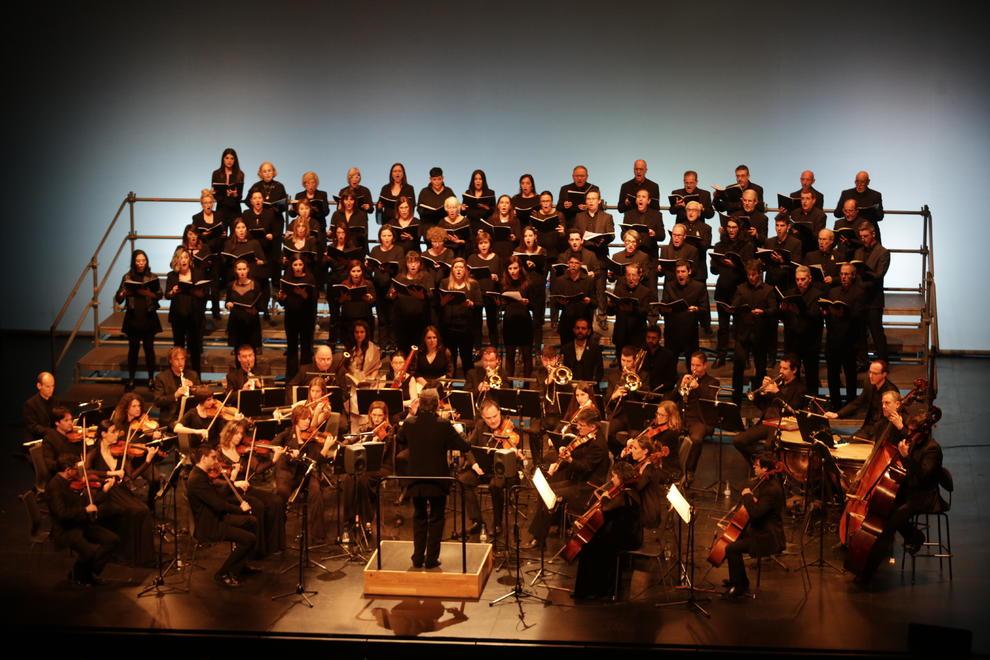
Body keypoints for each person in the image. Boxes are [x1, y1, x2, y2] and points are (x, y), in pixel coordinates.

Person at [854, 407, 943, 584]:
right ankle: (914, 536)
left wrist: (906, 457)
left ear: (924, 432)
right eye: (908, 430)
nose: (908, 434)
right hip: (909, 490)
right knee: (885, 510)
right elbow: (908, 471)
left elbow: (923, 478)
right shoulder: (914, 441)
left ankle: (866, 573)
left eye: (911, 431)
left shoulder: (933, 450)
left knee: (888, 527)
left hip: (924, 496)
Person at [399, 388, 473, 568]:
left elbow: (401, 439)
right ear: (437, 404)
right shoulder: (443, 425)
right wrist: (455, 428)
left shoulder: (409, 423)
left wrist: (413, 416)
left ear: (420, 403)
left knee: (419, 517)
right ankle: (431, 558)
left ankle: (417, 557)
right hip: (438, 480)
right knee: (437, 518)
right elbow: (464, 445)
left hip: (416, 479)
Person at [528, 406, 610, 548]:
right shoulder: (587, 437)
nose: (578, 427)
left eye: (581, 425)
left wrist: (570, 460)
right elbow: (577, 456)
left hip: (588, 488)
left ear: (592, 427)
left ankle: (539, 538)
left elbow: (585, 467)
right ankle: (539, 535)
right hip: (579, 481)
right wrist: (563, 455)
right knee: (546, 492)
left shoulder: (598, 445)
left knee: (551, 494)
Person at [186, 445, 258, 588]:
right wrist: (240, 509)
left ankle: (240, 565)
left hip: (217, 517)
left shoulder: (201, 475)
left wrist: (232, 482)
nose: (216, 461)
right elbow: (218, 504)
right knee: (249, 539)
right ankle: (222, 573)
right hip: (210, 525)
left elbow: (217, 497)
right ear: (203, 458)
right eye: (213, 458)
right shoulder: (197, 479)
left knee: (252, 522)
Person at [571, 460, 643, 600]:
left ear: (621, 477)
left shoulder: (625, 495)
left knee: (588, 547)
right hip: (624, 532)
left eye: (614, 476)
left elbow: (606, 510)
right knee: (591, 543)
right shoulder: (628, 491)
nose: (612, 479)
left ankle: (592, 591)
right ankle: (591, 589)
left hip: (626, 537)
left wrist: (604, 498)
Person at [214, 419, 286, 557]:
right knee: (258, 506)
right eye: (236, 434)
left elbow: (257, 469)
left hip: (246, 488)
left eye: (241, 434)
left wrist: (274, 460)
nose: (240, 437)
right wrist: (235, 482)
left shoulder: (243, 451)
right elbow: (216, 480)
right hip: (231, 491)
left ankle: (274, 545)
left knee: (276, 501)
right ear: (228, 433)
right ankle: (256, 550)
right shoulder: (219, 453)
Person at [47, 454, 119, 586]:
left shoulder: (69, 483)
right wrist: (85, 510)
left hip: (80, 523)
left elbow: (85, 502)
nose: (78, 472)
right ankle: (83, 576)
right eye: (75, 468)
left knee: (112, 539)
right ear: (68, 470)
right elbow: (62, 514)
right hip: (66, 530)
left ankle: (83, 572)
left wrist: (104, 491)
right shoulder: (54, 487)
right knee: (89, 552)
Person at [723, 455, 785, 599]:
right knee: (734, 538)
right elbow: (762, 505)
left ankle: (739, 587)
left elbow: (756, 513)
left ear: (765, 468)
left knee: (731, 548)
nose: (754, 467)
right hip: (760, 529)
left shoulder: (771, 489)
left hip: (767, 537)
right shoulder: (767, 482)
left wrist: (748, 496)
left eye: (757, 465)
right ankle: (739, 580)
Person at [273, 405, 337, 544]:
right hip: (287, 472)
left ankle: (317, 534)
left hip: (306, 471)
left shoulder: (312, 437)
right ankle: (277, 532)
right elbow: (273, 447)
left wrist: (326, 448)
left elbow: (316, 461)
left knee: (316, 492)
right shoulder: (286, 434)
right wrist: (283, 451)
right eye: (304, 419)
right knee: (282, 493)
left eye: (309, 418)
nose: (308, 422)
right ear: (296, 420)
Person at [458, 398, 522, 536]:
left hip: (503, 471)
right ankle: (477, 521)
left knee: (495, 485)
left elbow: (518, 452)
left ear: (500, 412)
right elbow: (467, 447)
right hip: (483, 469)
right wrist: (474, 464)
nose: (493, 421)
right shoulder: (480, 425)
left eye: (495, 416)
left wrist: (514, 453)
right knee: (463, 480)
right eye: (488, 418)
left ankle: (497, 523)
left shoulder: (511, 426)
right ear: (483, 417)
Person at [731, 356, 806, 464]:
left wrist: (777, 392)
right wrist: (762, 393)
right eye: (780, 367)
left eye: (785, 368)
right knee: (738, 440)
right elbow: (761, 406)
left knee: (769, 446)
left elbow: (793, 409)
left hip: (781, 424)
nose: (781, 371)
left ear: (794, 370)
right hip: (766, 423)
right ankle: (759, 463)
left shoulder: (800, 388)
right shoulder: (778, 384)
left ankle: (766, 469)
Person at [729, 261, 777, 404]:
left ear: (759, 274)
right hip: (743, 334)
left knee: (760, 368)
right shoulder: (740, 288)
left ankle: (758, 396)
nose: (750, 277)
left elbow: (774, 309)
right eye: (748, 275)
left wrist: (764, 312)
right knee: (738, 366)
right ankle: (736, 397)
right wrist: (733, 308)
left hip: (760, 334)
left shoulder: (768, 290)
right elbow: (735, 306)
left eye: (753, 275)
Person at [670, 352, 720, 487]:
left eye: (698, 365)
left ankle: (690, 472)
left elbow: (710, 403)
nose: (694, 369)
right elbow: (669, 399)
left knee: (697, 439)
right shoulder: (684, 378)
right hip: (683, 417)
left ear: (705, 365)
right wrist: (680, 386)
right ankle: (672, 470)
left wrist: (698, 388)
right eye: (692, 365)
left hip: (701, 420)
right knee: (667, 432)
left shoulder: (713, 382)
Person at [114, 249, 162, 390]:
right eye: (138, 261)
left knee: (149, 349)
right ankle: (131, 380)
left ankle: (151, 379)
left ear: (146, 261)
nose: (141, 263)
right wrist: (123, 293)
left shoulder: (152, 276)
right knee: (133, 350)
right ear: (134, 262)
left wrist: (149, 293)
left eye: (143, 260)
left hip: (148, 316)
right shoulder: (127, 277)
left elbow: (159, 294)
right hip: (133, 317)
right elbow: (118, 298)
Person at [822, 263, 867, 409]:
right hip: (833, 339)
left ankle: (850, 403)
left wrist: (844, 313)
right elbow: (828, 313)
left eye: (847, 274)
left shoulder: (859, 292)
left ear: (853, 275)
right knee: (832, 374)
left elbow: (860, 316)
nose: (843, 277)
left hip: (850, 340)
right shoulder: (833, 291)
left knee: (850, 375)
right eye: (841, 274)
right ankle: (835, 402)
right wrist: (827, 313)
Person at [712, 216, 755, 366]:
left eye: (734, 227)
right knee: (723, 327)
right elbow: (713, 270)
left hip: (739, 291)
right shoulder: (719, 245)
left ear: (739, 229)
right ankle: (721, 355)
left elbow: (749, 271)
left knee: (741, 327)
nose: (731, 230)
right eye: (729, 227)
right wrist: (719, 262)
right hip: (723, 289)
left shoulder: (747, 246)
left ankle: (743, 357)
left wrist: (734, 265)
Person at [779, 266, 825, 396]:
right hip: (793, 340)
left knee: (811, 375)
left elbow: (816, 316)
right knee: (793, 375)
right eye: (797, 279)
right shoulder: (790, 293)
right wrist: (783, 310)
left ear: (809, 279)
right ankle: (793, 401)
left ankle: (812, 402)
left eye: (803, 279)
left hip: (810, 341)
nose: (799, 282)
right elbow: (784, 318)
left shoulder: (817, 294)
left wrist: (800, 310)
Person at [825, 359, 898, 440]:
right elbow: (858, 402)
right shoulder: (869, 384)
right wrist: (838, 414)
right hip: (868, 427)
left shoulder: (891, 391)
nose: (871, 376)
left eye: (875, 373)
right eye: (870, 372)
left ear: (884, 374)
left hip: (882, 430)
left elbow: (891, 417)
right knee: (850, 443)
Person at [659, 261, 708, 371]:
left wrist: (697, 309)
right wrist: (664, 309)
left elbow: (704, 309)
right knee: (669, 367)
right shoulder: (669, 285)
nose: (680, 275)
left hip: (690, 333)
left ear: (689, 271)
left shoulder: (699, 286)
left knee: (692, 368)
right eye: (678, 272)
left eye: (683, 271)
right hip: (672, 332)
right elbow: (663, 306)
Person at [165, 248, 208, 375]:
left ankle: (196, 377)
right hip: (178, 316)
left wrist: (197, 292)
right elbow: (167, 295)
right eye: (181, 257)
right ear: (177, 260)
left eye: (186, 257)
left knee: (195, 349)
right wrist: (173, 291)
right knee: (178, 349)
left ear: (189, 259)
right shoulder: (172, 275)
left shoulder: (198, 273)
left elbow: (204, 294)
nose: (184, 260)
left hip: (194, 317)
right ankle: (179, 376)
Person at [853, 222, 891, 363]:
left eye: (866, 236)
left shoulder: (883, 252)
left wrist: (864, 270)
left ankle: (883, 362)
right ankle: (863, 362)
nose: (863, 239)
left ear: (873, 234)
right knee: (860, 334)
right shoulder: (858, 252)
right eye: (861, 236)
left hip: (874, 299)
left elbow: (879, 274)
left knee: (877, 333)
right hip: (860, 298)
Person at [438, 259, 481, 377]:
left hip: (466, 327)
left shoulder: (473, 284)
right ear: (452, 270)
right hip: (448, 326)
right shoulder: (445, 283)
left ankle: (470, 386)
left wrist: (471, 304)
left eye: (461, 267)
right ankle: (450, 386)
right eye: (456, 267)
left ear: (465, 270)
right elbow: (438, 304)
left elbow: (479, 303)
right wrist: (443, 302)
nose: (458, 270)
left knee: (466, 358)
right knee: (450, 359)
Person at [278, 254, 317, 381]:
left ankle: (306, 377)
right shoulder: (287, 278)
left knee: (306, 348)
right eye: (295, 265)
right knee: (292, 348)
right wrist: (281, 299)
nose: (298, 267)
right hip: (291, 317)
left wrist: (303, 294)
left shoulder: (309, 278)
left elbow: (313, 300)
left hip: (306, 318)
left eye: (300, 265)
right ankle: (291, 377)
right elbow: (283, 301)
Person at [190, 188, 226, 317]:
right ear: (201, 204)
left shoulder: (219, 215)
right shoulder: (197, 218)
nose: (208, 205)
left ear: (213, 203)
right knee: (203, 284)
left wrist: (221, 234)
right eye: (205, 203)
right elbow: (195, 236)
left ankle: (216, 311)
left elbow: (223, 233)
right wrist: (203, 235)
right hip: (203, 256)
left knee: (215, 284)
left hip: (216, 254)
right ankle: (201, 311)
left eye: (210, 202)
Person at [390, 251, 435, 353]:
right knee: (403, 347)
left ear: (420, 264)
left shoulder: (426, 276)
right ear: (406, 264)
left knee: (418, 347)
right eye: (410, 262)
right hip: (402, 319)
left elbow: (432, 294)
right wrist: (393, 295)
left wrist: (423, 296)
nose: (413, 265)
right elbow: (390, 295)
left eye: (416, 262)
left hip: (420, 319)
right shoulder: (400, 277)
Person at [368, 225, 404, 349]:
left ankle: (394, 345)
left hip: (393, 287)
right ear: (380, 237)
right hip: (378, 287)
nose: (386, 238)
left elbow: (400, 271)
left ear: (393, 237)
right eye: (384, 235)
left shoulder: (398, 250)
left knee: (393, 318)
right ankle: (383, 346)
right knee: (382, 319)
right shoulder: (375, 250)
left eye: (389, 235)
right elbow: (371, 269)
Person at [622, 188, 665, 290]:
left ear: (649, 201)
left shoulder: (657, 215)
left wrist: (654, 234)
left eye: (643, 197)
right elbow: (622, 234)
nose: (640, 199)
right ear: (636, 200)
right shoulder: (628, 214)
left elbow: (662, 236)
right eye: (638, 197)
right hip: (633, 258)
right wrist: (628, 235)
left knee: (651, 290)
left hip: (650, 258)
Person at [343, 320, 382, 430]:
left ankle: (364, 431)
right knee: (353, 396)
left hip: (369, 383)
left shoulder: (373, 348)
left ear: (366, 333)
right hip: (352, 384)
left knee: (363, 396)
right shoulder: (350, 348)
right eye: (357, 332)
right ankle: (354, 432)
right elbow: (346, 368)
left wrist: (370, 379)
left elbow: (376, 368)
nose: (359, 335)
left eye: (362, 332)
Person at [608, 263, 655, 356]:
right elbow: (610, 313)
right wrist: (610, 306)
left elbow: (646, 311)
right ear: (625, 276)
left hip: (637, 336)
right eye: (628, 274)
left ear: (639, 276)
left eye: (633, 275)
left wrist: (632, 309)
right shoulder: (618, 290)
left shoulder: (645, 291)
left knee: (636, 365)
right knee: (622, 363)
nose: (631, 278)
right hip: (621, 334)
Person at [499, 256, 534, 377]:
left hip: (524, 321)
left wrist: (528, 303)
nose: (513, 271)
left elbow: (535, 305)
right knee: (509, 355)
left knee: (527, 355)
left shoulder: (528, 283)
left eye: (515, 268)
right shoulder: (503, 284)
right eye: (510, 268)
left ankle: (526, 387)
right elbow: (502, 305)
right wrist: (499, 303)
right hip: (509, 322)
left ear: (520, 268)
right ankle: (509, 386)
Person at [551, 253, 596, 345]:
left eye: (576, 263)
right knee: (566, 351)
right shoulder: (560, 280)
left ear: (581, 264)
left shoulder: (588, 280)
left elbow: (596, 303)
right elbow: (555, 303)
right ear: (568, 263)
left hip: (584, 321)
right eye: (571, 262)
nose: (573, 265)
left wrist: (589, 301)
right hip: (567, 321)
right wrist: (561, 303)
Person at [467, 231, 502, 348]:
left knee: (492, 322)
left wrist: (497, 278)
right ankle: (477, 348)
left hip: (491, 294)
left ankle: (494, 348)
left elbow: (502, 277)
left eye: (485, 243)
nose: (483, 245)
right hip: (476, 294)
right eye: (481, 243)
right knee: (476, 323)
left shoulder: (496, 258)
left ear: (490, 244)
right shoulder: (472, 258)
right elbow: (467, 277)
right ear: (477, 245)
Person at [517, 226, 549, 350]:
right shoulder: (518, 250)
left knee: (537, 322)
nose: (528, 238)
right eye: (525, 236)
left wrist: (536, 265)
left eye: (530, 235)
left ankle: (537, 350)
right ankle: (522, 349)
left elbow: (545, 269)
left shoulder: (542, 251)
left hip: (538, 289)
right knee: (522, 321)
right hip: (523, 289)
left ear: (535, 237)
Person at [152, 347, 199, 429]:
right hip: (171, 418)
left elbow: (202, 396)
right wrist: (175, 395)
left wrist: (194, 388)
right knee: (179, 427)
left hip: (190, 415)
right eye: (177, 359)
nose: (180, 362)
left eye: (182, 359)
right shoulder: (161, 378)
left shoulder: (193, 375)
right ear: (170, 361)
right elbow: (158, 401)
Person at [225, 259, 265, 352]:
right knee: (238, 351)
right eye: (239, 269)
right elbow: (227, 301)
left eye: (244, 269)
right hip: (236, 322)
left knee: (252, 351)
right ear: (235, 270)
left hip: (251, 322)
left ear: (248, 269)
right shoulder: (231, 285)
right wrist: (228, 304)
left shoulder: (255, 285)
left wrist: (255, 309)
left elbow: (260, 305)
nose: (242, 271)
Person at [833, 171, 884, 236]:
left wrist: (868, 213)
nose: (859, 184)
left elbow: (880, 216)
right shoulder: (846, 194)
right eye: (857, 182)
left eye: (862, 182)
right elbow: (837, 213)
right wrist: (849, 212)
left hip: (869, 230)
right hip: (850, 229)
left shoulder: (875, 195)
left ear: (868, 182)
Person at [338, 259, 376, 341]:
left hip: (364, 318)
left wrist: (369, 299)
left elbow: (373, 301)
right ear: (349, 272)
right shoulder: (344, 284)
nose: (356, 274)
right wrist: (343, 299)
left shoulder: (368, 284)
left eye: (358, 271)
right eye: (353, 271)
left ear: (362, 271)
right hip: (348, 319)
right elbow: (339, 302)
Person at [560, 318, 604, 384]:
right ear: (574, 330)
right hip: (569, 386)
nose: (580, 331)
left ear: (589, 331)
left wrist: (592, 384)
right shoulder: (565, 348)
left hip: (589, 387)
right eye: (577, 328)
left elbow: (599, 371)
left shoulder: (595, 349)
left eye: (583, 328)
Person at [785, 188, 827, 255]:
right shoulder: (794, 213)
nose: (804, 201)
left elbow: (817, 238)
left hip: (812, 250)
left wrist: (802, 232)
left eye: (807, 198)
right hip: (796, 249)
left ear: (813, 200)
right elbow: (791, 234)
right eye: (802, 198)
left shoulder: (820, 215)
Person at [211, 147, 245, 225]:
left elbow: (239, 196)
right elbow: (215, 193)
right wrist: (226, 197)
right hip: (221, 209)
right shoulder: (216, 173)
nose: (229, 161)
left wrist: (235, 194)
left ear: (235, 160)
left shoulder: (240, 174)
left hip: (235, 210)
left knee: (235, 235)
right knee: (222, 235)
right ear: (223, 159)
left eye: (232, 158)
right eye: (227, 158)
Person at [485, 194, 522, 265]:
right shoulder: (491, 220)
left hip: (509, 253)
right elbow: (486, 237)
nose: (504, 205)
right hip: (494, 254)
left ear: (510, 206)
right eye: (502, 202)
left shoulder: (515, 221)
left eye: (507, 203)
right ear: (498, 206)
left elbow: (519, 238)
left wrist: (514, 238)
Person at [530, 189, 565, 262]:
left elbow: (563, 237)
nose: (545, 203)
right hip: (540, 251)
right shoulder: (535, 215)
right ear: (540, 203)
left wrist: (562, 232)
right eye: (543, 201)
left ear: (551, 202)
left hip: (555, 251)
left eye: (548, 201)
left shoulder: (559, 214)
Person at [331, 189, 370, 255]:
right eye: (346, 199)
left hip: (356, 248)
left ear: (355, 201)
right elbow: (333, 233)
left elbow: (364, 235)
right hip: (340, 248)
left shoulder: (361, 215)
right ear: (342, 201)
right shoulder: (336, 214)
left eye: (351, 200)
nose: (349, 202)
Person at [417, 167, 456, 231]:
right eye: (434, 179)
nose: (437, 182)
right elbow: (419, 209)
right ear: (430, 179)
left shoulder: (448, 191)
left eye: (439, 179)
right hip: (428, 225)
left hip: (445, 225)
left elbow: (455, 206)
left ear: (443, 178)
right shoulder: (424, 192)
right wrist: (429, 213)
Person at [643, 326, 678, 394]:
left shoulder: (668, 355)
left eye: (653, 338)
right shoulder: (641, 353)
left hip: (661, 393)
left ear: (659, 338)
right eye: (648, 337)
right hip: (642, 391)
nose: (650, 340)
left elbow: (672, 380)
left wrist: (656, 390)